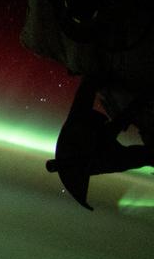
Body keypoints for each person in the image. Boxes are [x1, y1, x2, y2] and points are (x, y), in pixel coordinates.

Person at [46, 75, 154, 210]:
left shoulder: (77, 137)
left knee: (136, 151)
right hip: (97, 152)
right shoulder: (78, 140)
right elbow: (84, 97)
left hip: (96, 147)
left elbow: (84, 97)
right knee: (135, 152)